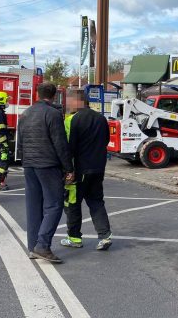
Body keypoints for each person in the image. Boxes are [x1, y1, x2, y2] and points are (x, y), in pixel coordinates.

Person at [17, 82, 74, 263]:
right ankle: (42, 245)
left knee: (33, 206)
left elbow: (20, 141)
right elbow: (60, 143)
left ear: (37, 94)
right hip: (48, 164)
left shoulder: (25, 114)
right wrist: (68, 168)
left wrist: (24, 160)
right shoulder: (53, 114)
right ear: (54, 95)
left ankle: (33, 247)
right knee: (54, 205)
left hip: (29, 164)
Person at [60, 90, 112, 251]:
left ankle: (74, 238)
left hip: (79, 170)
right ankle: (105, 236)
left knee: (73, 204)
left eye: (69, 101)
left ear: (77, 102)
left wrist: (68, 170)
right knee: (96, 202)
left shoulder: (71, 120)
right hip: (98, 168)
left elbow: (67, 148)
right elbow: (106, 141)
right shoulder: (102, 119)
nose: (68, 105)